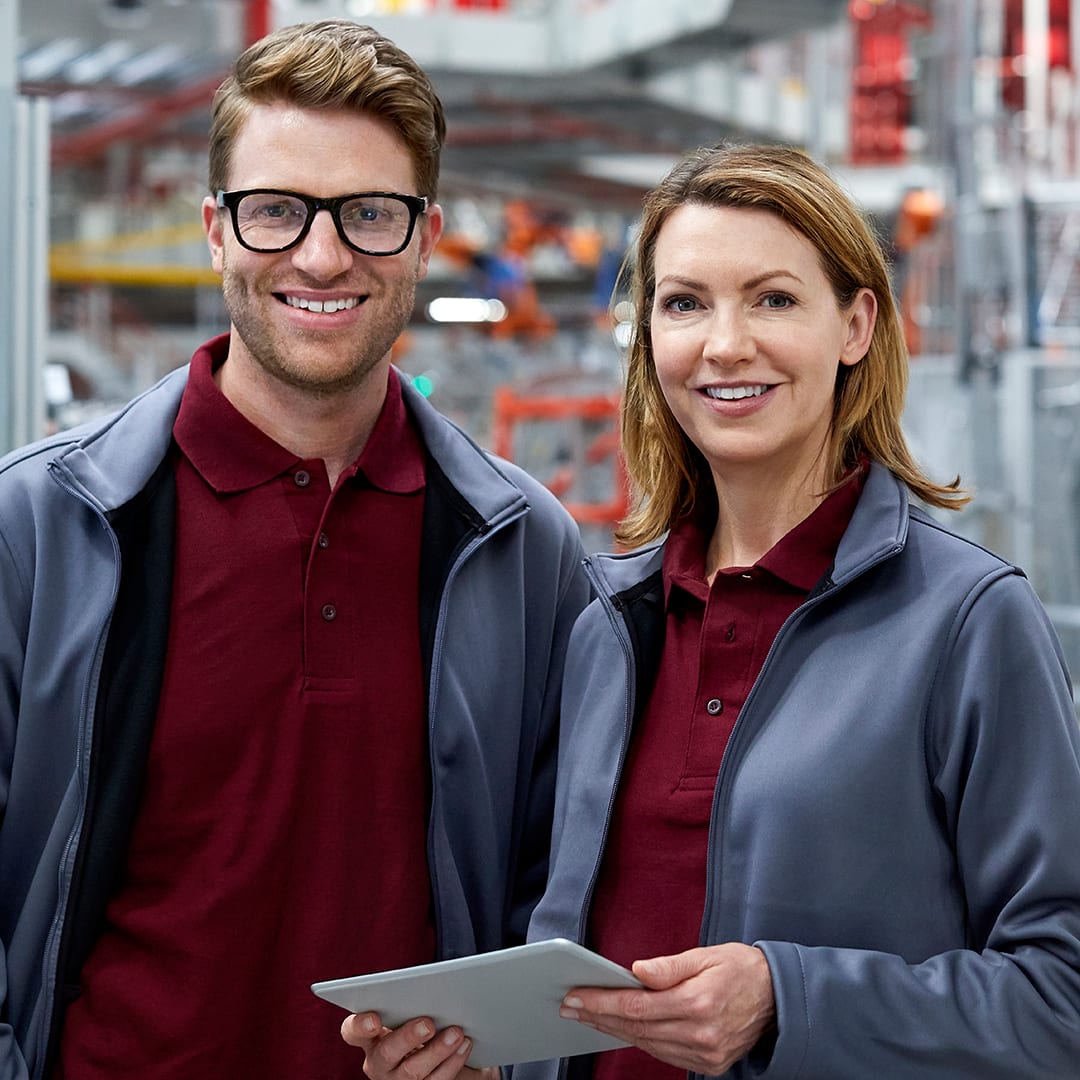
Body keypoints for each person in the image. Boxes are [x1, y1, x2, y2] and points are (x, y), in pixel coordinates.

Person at [0, 19, 589, 1080]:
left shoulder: (521, 549)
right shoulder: (42, 526)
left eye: (369, 213)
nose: (323, 256)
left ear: (425, 237)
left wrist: (505, 1061)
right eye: (276, 210)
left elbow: (553, 890)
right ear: (217, 231)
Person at [512, 143, 1080, 1079]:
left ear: (856, 325)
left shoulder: (967, 623)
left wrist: (788, 999)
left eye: (772, 300)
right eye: (685, 303)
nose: (725, 344)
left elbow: (1060, 1000)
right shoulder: (609, 626)